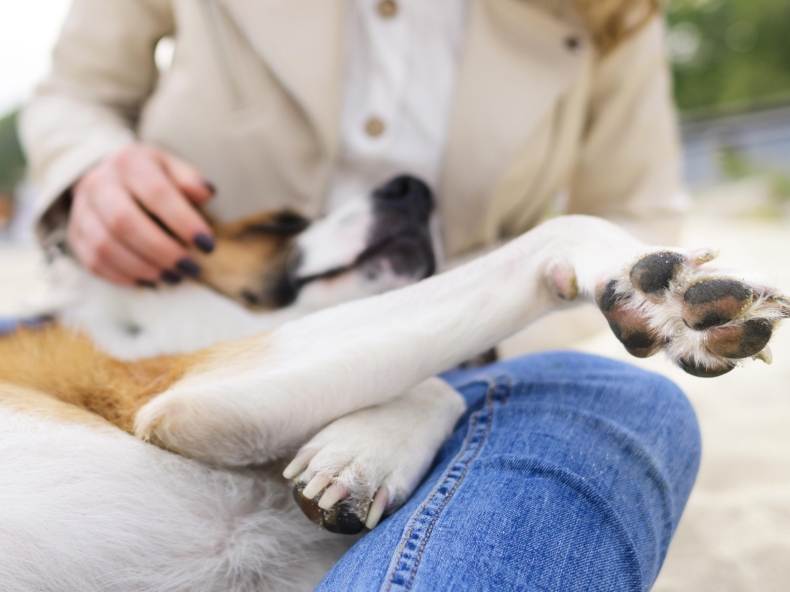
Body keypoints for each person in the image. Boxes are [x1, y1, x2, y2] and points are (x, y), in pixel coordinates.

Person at [19, 0, 699, 589]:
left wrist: (466, 341)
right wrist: (92, 168)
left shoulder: (614, 14)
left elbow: (639, 221)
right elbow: (75, 92)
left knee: (631, 400)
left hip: (461, 353)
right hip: (179, 316)